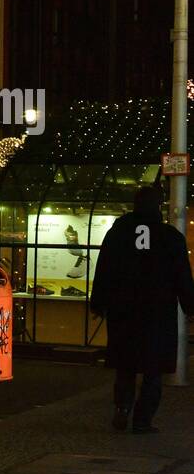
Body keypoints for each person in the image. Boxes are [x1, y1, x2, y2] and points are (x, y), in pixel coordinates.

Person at [90, 185, 194, 433]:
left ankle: (122, 407)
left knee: (125, 365)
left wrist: (99, 303)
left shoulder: (117, 233)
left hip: (123, 311)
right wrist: (190, 306)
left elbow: (104, 269)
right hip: (157, 313)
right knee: (153, 368)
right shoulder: (170, 237)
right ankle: (142, 419)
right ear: (159, 206)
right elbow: (182, 276)